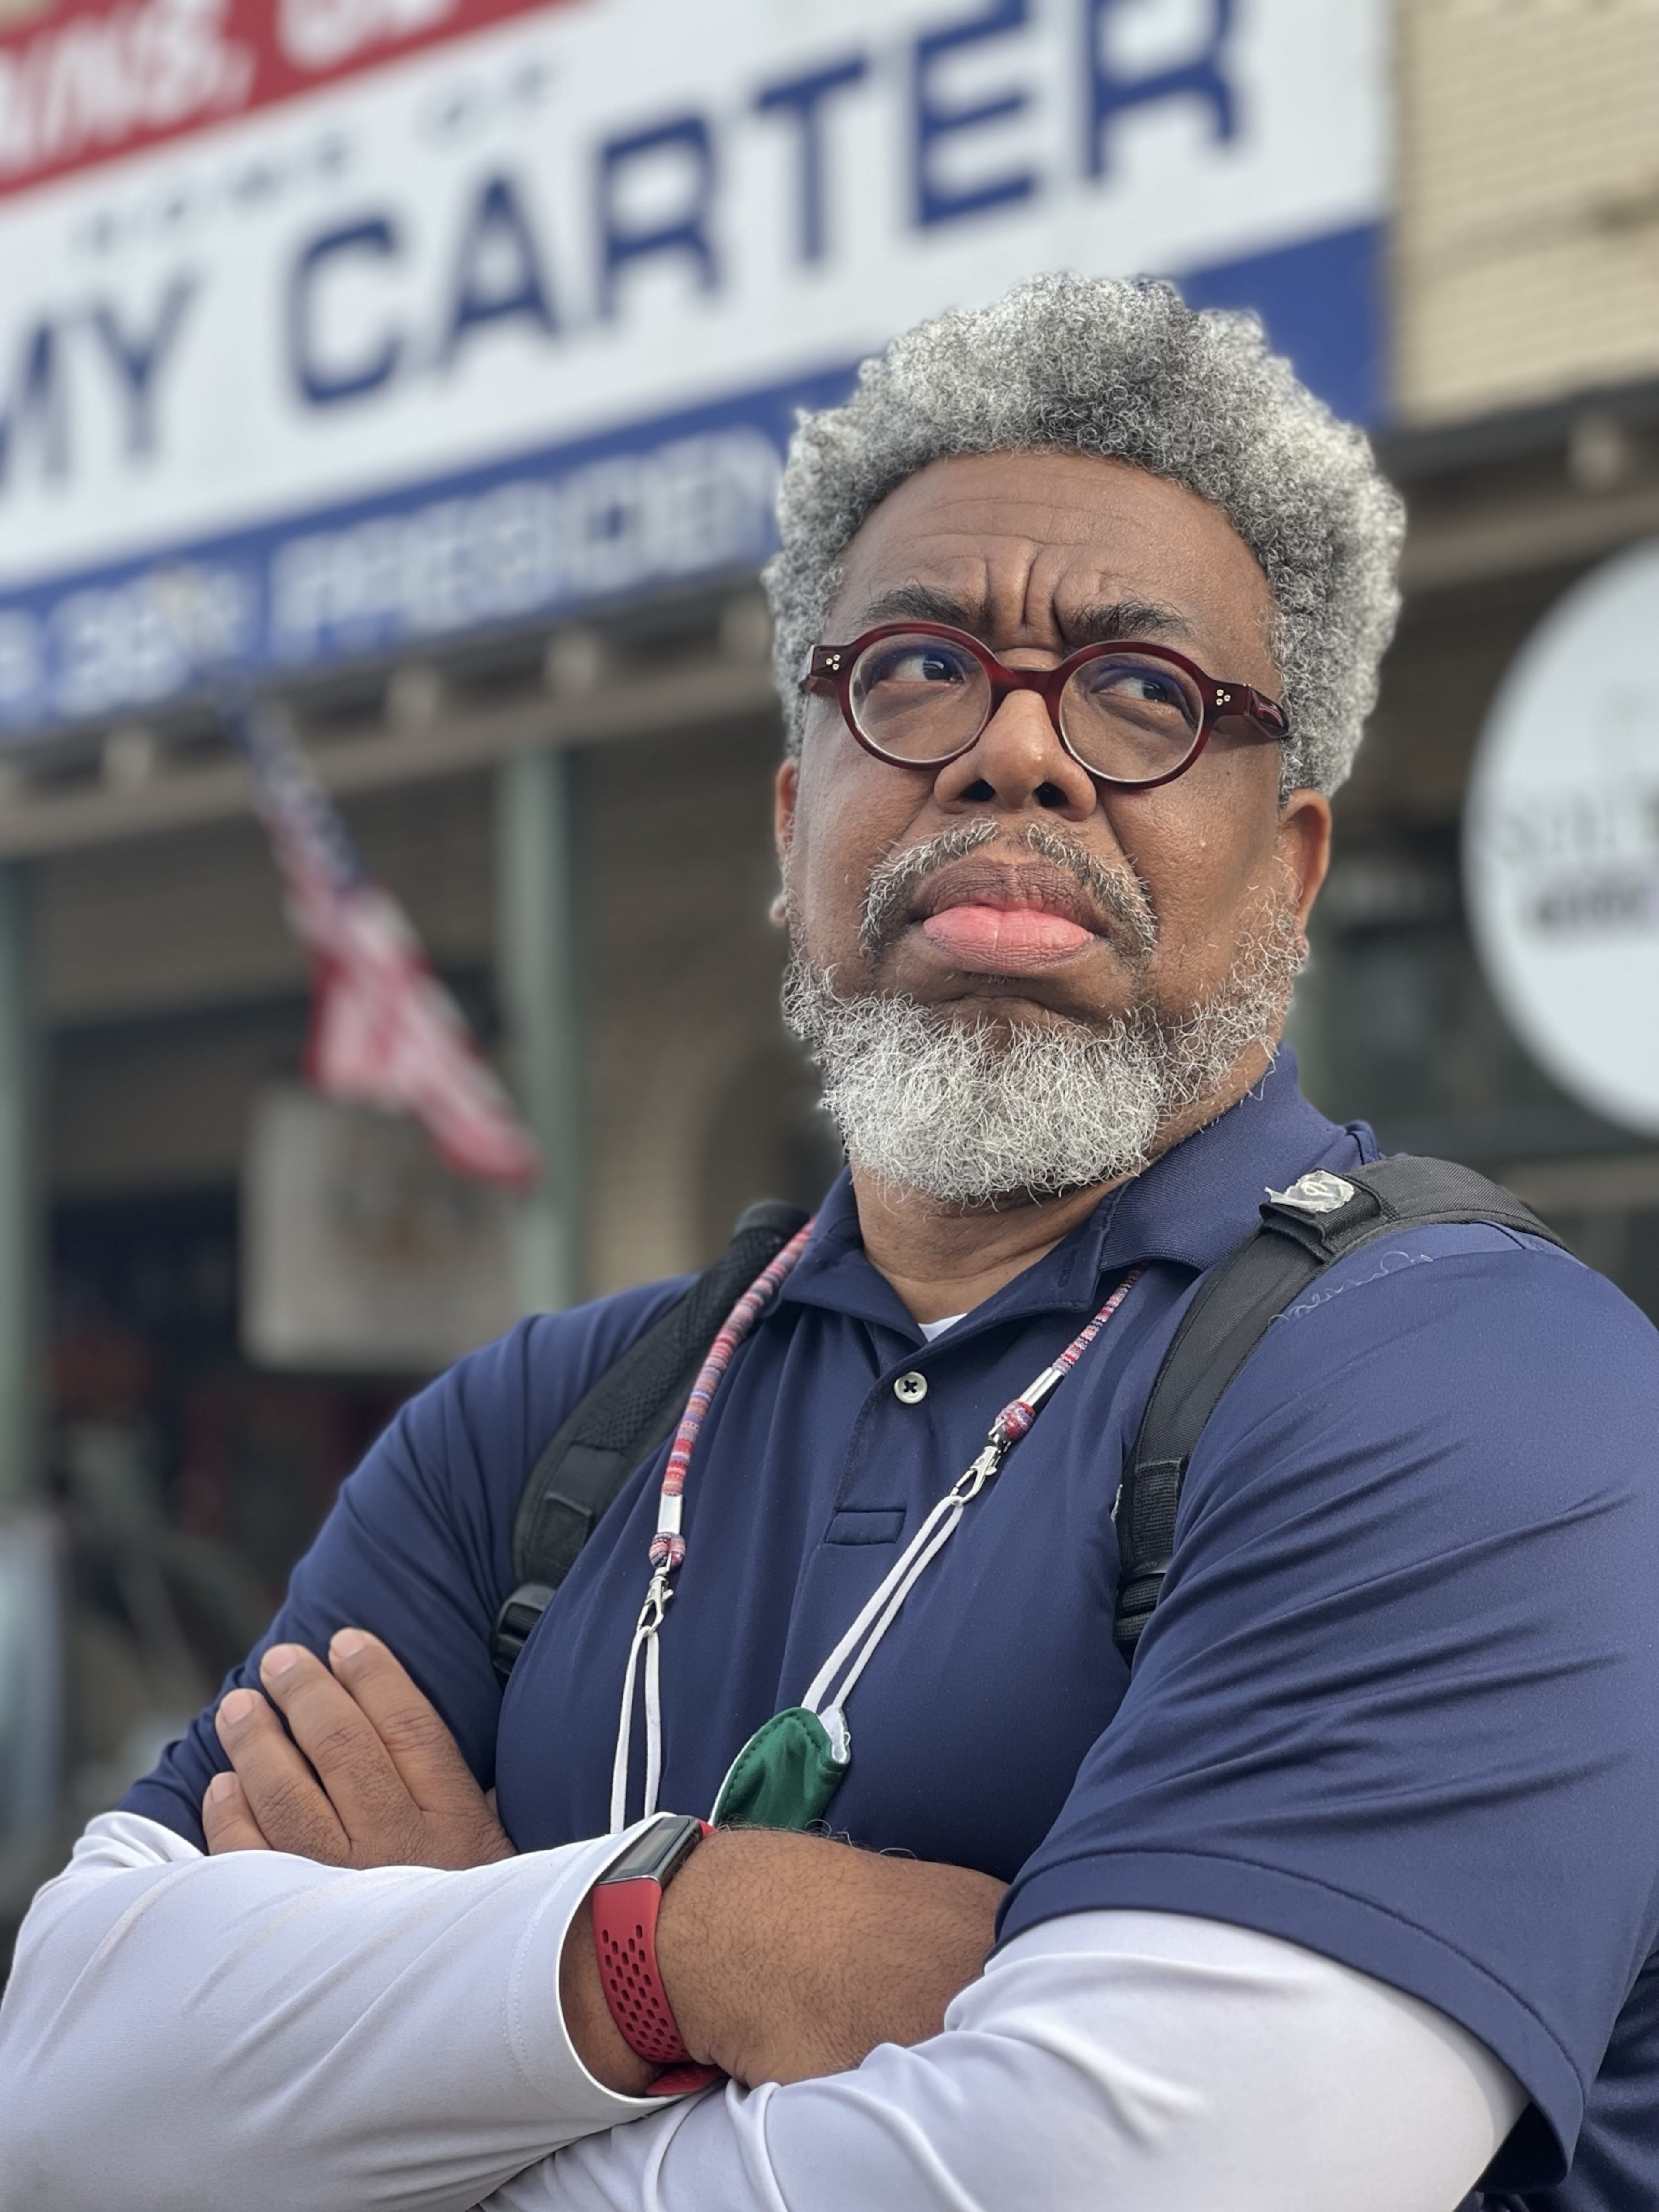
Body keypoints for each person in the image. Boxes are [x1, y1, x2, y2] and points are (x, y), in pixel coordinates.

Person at [3, 275, 1657, 2212]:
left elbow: (1135, 2185)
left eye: (1144, 694)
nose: (1015, 757)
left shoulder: (1487, 1388)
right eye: (921, 670)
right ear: (799, 828)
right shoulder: (538, 1424)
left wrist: (421, 2061)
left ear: (1289, 872)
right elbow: (59, 2086)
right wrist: (676, 1938)